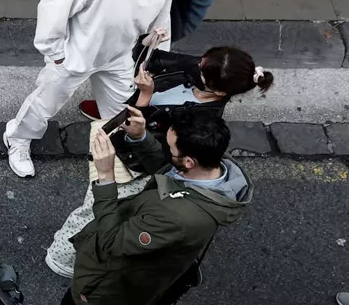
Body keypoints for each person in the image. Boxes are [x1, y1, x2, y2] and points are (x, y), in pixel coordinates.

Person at [47, 45, 273, 278]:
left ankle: (63, 259)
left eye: (202, 72)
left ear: (220, 91)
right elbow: (151, 57)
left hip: (135, 161)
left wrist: (144, 101)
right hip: (131, 145)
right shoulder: (205, 68)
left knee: (95, 212)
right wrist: (150, 39)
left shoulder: (197, 126)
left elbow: (160, 162)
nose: (196, 67)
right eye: (201, 63)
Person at [5, 0, 195, 179]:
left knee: (120, 110)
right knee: (44, 103)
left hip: (120, 55)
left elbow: (162, 15)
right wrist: (56, 53)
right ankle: (18, 137)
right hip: (75, 53)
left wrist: (157, 54)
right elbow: (52, 8)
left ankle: (116, 148)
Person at [52, 106, 251, 305]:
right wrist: (141, 138)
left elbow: (112, 241)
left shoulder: (179, 218)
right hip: (137, 282)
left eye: (171, 148)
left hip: (117, 277)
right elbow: (168, 170)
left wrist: (105, 177)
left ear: (189, 161)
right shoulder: (209, 170)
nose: (168, 152)